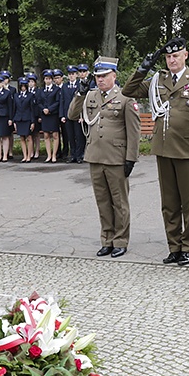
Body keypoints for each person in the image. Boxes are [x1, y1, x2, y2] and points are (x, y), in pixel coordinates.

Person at [122, 36, 189, 266]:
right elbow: (129, 90)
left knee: (188, 203)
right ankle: (174, 246)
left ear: (185, 55)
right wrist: (143, 67)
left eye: (176, 55)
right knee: (169, 202)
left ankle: (188, 247)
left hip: (187, 149)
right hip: (163, 147)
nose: (172, 60)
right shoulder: (157, 80)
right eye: (168, 56)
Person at [69, 57, 140, 258]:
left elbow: (134, 131)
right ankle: (107, 239)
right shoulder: (91, 96)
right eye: (98, 76)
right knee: (102, 201)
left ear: (114, 76)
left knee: (119, 201)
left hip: (116, 157)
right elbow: (73, 115)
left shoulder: (125, 97)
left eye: (104, 76)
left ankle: (120, 240)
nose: (100, 80)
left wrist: (131, 159)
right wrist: (80, 93)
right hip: (95, 155)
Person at [38, 68, 62, 162]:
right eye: (46, 79)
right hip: (44, 115)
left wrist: (49, 109)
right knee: (46, 135)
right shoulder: (41, 90)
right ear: (44, 80)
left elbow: (57, 101)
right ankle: (49, 155)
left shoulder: (56, 89)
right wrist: (43, 109)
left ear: (52, 79)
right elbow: (39, 102)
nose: (47, 80)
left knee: (55, 135)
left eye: (49, 78)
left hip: (53, 114)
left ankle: (54, 155)